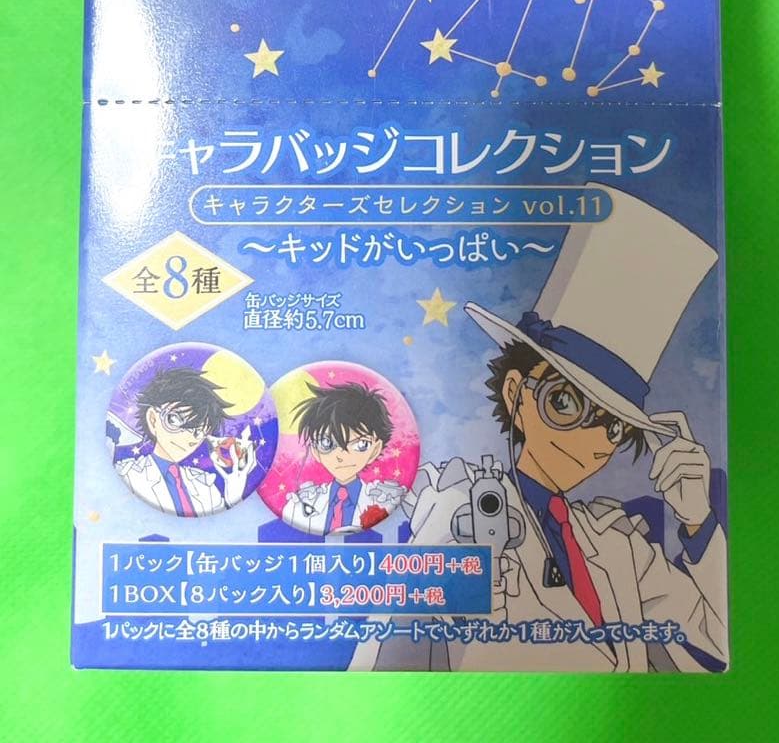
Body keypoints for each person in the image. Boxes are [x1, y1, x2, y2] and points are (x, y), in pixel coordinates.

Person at [352, 184, 728, 672]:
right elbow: (385, 659)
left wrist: (697, 520)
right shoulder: (461, 513)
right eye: (565, 403)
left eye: (613, 426)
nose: (591, 441)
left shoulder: (618, 545)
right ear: (516, 394)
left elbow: (719, 645)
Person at [111, 367, 256, 517]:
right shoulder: (129, 474)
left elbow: (214, 527)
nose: (189, 439)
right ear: (153, 419)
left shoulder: (204, 483)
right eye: (175, 420)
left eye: (199, 432)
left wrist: (233, 498)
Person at [282, 381, 406, 535]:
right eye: (327, 444)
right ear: (315, 451)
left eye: (361, 444)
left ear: (375, 449)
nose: (342, 456)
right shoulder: (300, 504)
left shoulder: (384, 501)